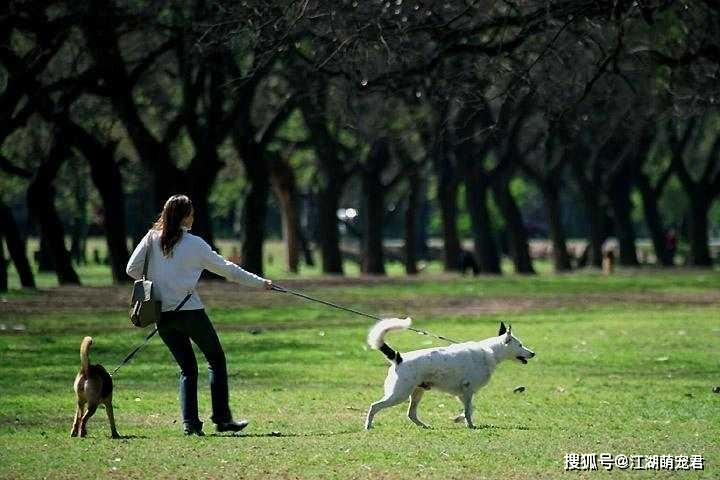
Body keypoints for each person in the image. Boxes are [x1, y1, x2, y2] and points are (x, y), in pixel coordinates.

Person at [126, 194, 273, 436]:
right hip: (191, 313)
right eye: (191, 213)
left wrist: (157, 281)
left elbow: (131, 269)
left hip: (162, 314)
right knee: (216, 360)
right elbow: (228, 270)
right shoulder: (195, 244)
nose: (194, 217)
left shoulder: (151, 238)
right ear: (185, 216)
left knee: (187, 369)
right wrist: (261, 283)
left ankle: (191, 425)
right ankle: (222, 419)